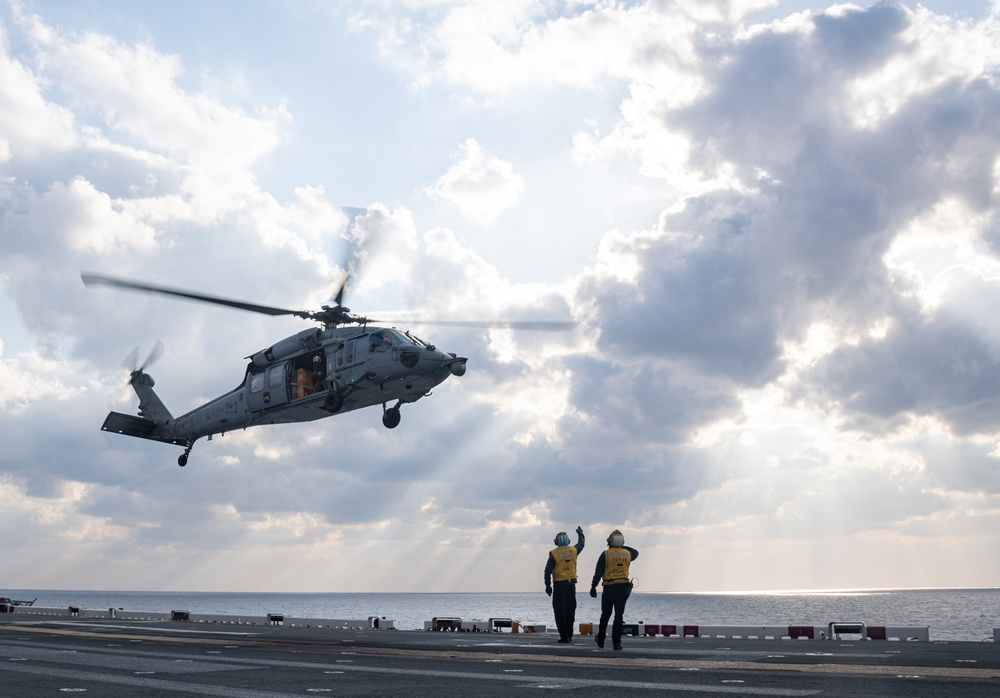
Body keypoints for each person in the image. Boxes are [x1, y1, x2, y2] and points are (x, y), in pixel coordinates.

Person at [590, 529, 638, 650]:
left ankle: (600, 640)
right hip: (622, 588)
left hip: (609, 587)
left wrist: (593, 586)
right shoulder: (627, 554)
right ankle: (616, 643)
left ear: (609, 541)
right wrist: (621, 546)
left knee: (605, 615)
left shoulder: (606, 554)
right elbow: (635, 552)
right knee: (619, 616)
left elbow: (598, 572)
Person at [544, 525, 585, 643]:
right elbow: (581, 544)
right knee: (570, 611)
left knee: (559, 611)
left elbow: (547, 571)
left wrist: (548, 585)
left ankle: (564, 636)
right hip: (571, 585)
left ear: (556, 542)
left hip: (559, 586)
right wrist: (580, 534)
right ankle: (570, 635)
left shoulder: (554, 553)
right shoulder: (573, 551)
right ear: (568, 541)